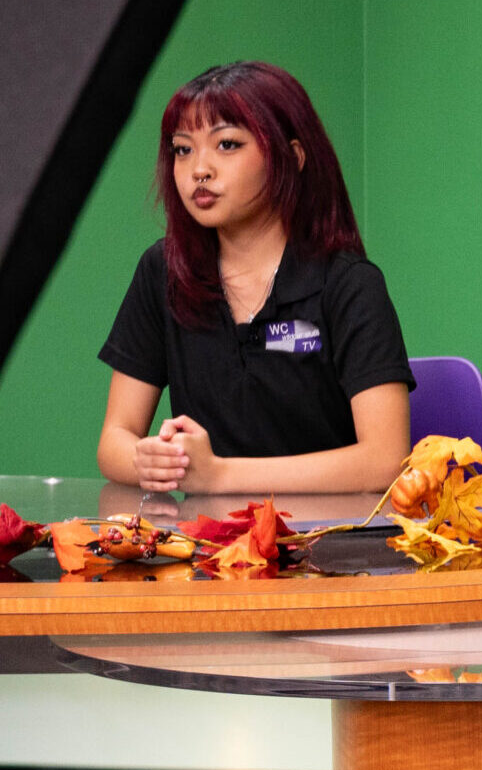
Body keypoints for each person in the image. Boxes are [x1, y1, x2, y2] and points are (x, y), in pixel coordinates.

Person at [96, 61, 412, 494]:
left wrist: (221, 475)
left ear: (292, 158)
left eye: (226, 144)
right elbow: (114, 441)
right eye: (182, 149)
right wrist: (150, 459)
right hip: (209, 550)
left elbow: (385, 460)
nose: (198, 170)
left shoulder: (350, 284)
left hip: (330, 548)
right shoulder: (163, 271)